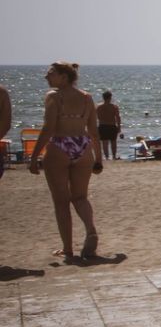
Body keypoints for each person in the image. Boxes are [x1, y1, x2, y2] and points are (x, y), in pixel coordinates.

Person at [28, 61, 104, 262]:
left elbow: (48, 128)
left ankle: (68, 249)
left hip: (60, 146)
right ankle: (90, 230)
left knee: (61, 202)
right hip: (83, 146)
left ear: (64, 77)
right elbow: (93, 131)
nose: (46, 76)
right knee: (80, 197)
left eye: (51, 73)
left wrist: (34, 157)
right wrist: (98, 159)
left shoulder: (54, 96)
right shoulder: (87, 97)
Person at [96, 90, 122, 160]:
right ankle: (114, 156)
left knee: (105, 142)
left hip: (102, 126)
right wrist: (119, 127)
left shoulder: (98, 107)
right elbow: (118, 117)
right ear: (110, 97)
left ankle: (107, 157)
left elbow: (95, 117)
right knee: (113, 142)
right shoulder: (114, 107)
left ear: (103, 97)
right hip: (112, 126)